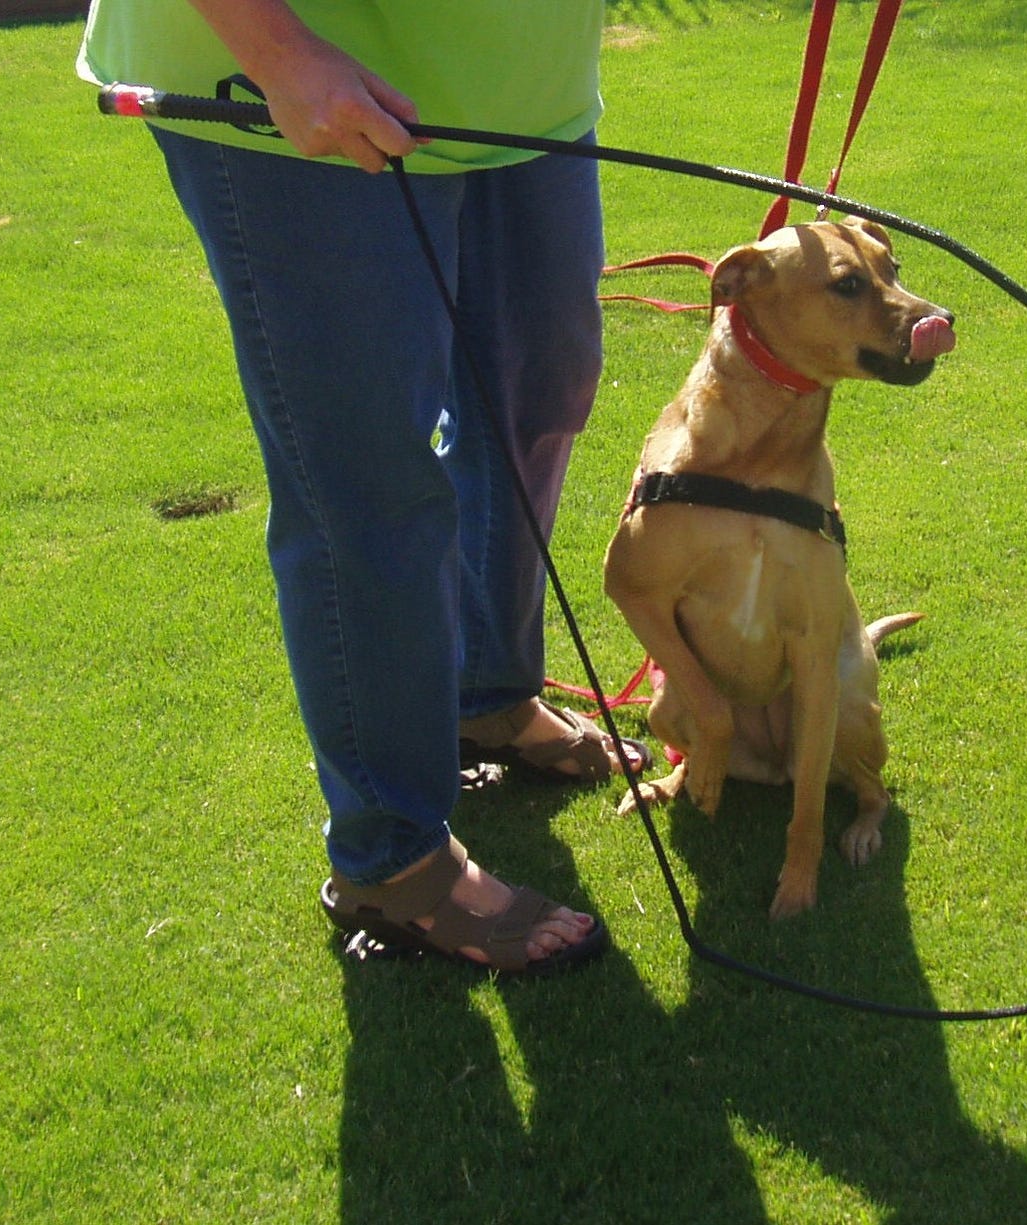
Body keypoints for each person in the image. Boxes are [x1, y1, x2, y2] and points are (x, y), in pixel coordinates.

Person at [78, 0, 649, 975]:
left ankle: (487, 694)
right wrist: (280, 52)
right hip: (295, 89)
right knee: (373, 476)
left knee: (539, 389)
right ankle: (393, 863)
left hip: (525, 95)